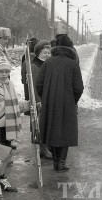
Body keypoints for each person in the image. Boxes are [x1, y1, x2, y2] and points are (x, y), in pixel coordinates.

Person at [0, 56, 30, 200]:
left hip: (8, 128)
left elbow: (14, 105)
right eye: (0, 72)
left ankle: (3, 180)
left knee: (5, 157)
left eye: (6, 71)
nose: (3, 74)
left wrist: (28, 105)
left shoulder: (9, 85)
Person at [36, 35, 84, 172]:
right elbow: (79, 88)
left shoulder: (48, 62)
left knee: (52, 130)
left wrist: (46, 97)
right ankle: (61, 162)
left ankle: (55, 161)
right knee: (65, 131)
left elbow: (39, 84)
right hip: (68, 103)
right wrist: (72, 100)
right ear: (70, 48)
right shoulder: (73, 64)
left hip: (49, 102)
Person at [31, 40, 52, 159]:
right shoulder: (35, 66)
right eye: (45, 53)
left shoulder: (47, 64)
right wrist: (38, 101)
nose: (48, 55)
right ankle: (43, 149)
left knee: (47, 123)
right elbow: (34, 85)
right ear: (38, 53)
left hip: (48, 98)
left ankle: (46, 147)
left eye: (49, 53)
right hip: (41, 100)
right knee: (41, 125)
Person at [21, 37, 39, 105]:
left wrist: (23, 79)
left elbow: (23, 70)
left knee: (29, 98)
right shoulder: (39, 56)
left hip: (27, 80)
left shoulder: (25, 56)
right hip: (36, 80)